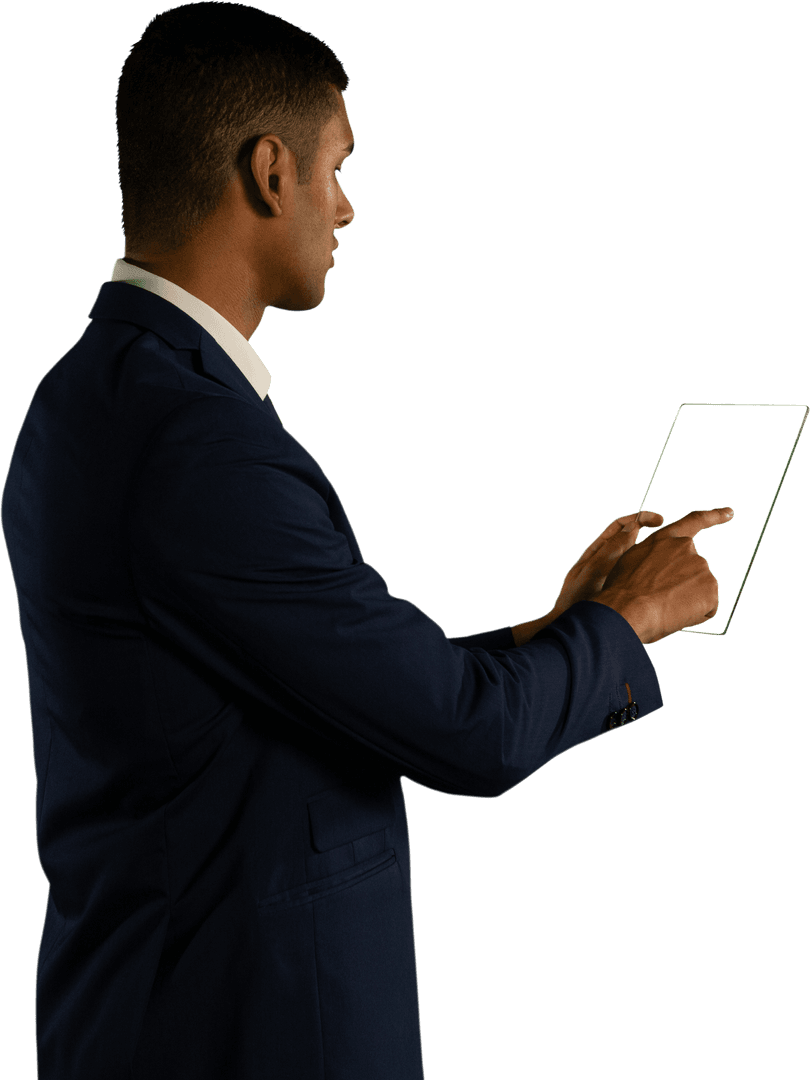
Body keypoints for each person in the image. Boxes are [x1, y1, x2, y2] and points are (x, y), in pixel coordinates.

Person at [0, 4, 732, 1078]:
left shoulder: (85, 399)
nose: (347, 207)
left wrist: (555, 626)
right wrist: (631, 619)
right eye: (336, 167)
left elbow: (297, 681)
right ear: (269, 173)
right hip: (244, 1033)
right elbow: (463, 735)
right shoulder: (198, 444)